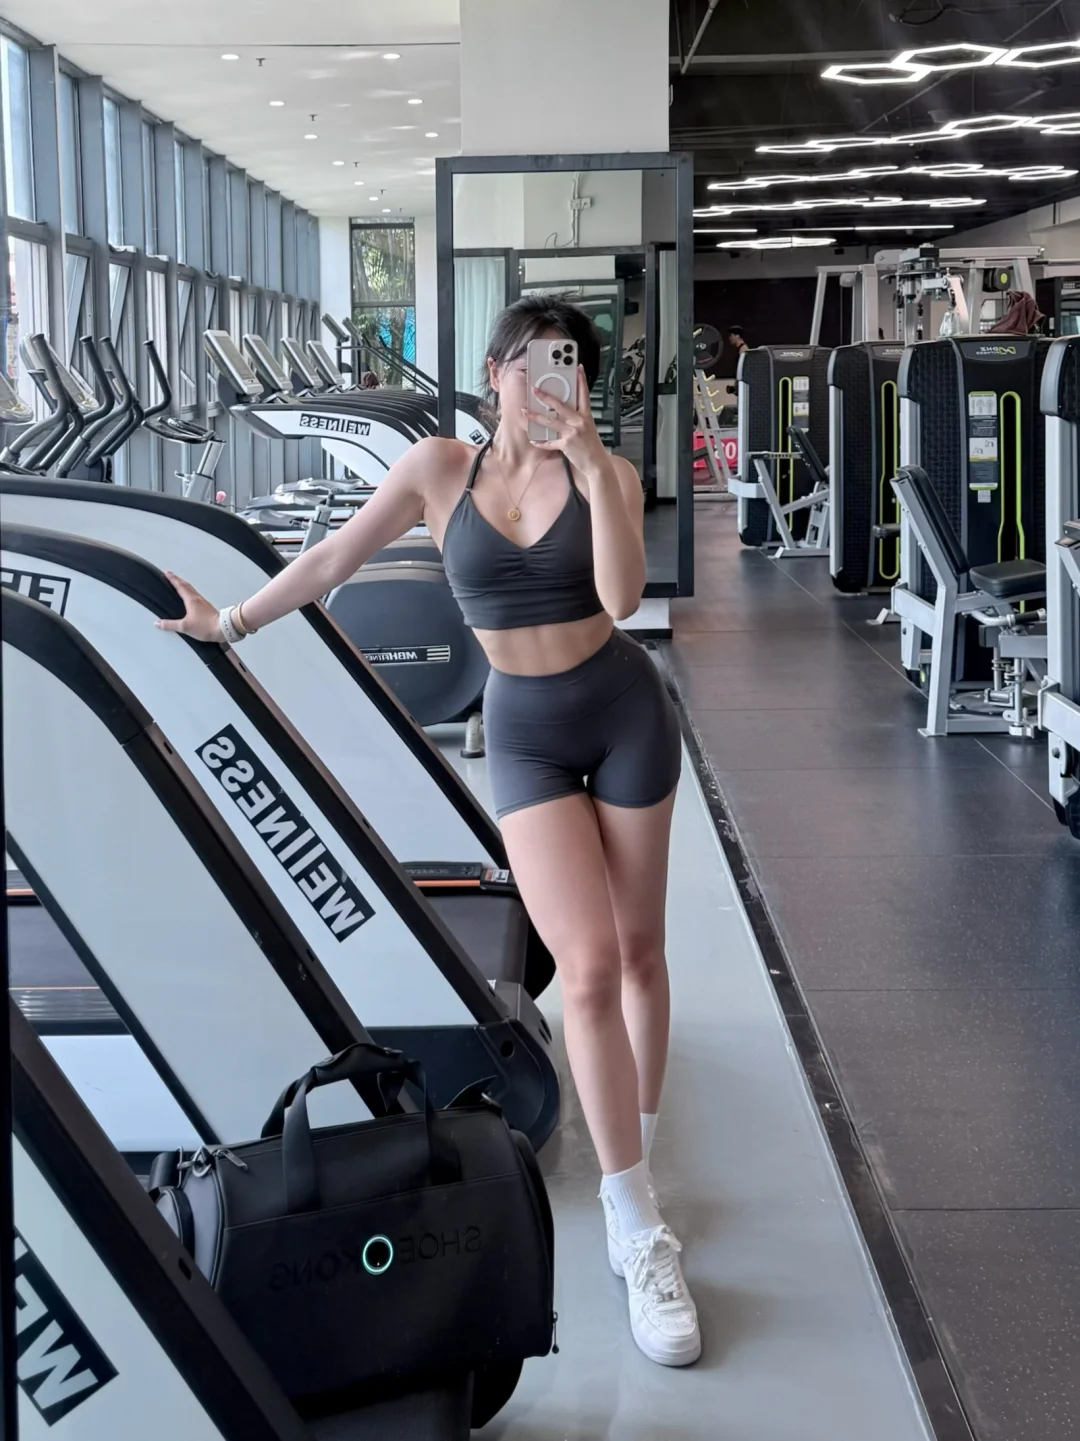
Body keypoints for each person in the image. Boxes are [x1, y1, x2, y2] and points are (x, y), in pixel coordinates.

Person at [157, 296, 701, 1368]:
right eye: (532, 363)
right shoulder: (438, 470)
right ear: (495, 371)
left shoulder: (608, 473)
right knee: (588, 968)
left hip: (625, 712)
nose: (549, 382)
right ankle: (635, 1216)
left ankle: (636, 1152)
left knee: (641, 952)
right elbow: (331, 561)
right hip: (527, 733)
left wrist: (596, 468)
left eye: (569, 365)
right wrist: (230, 623)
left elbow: (622, 594)